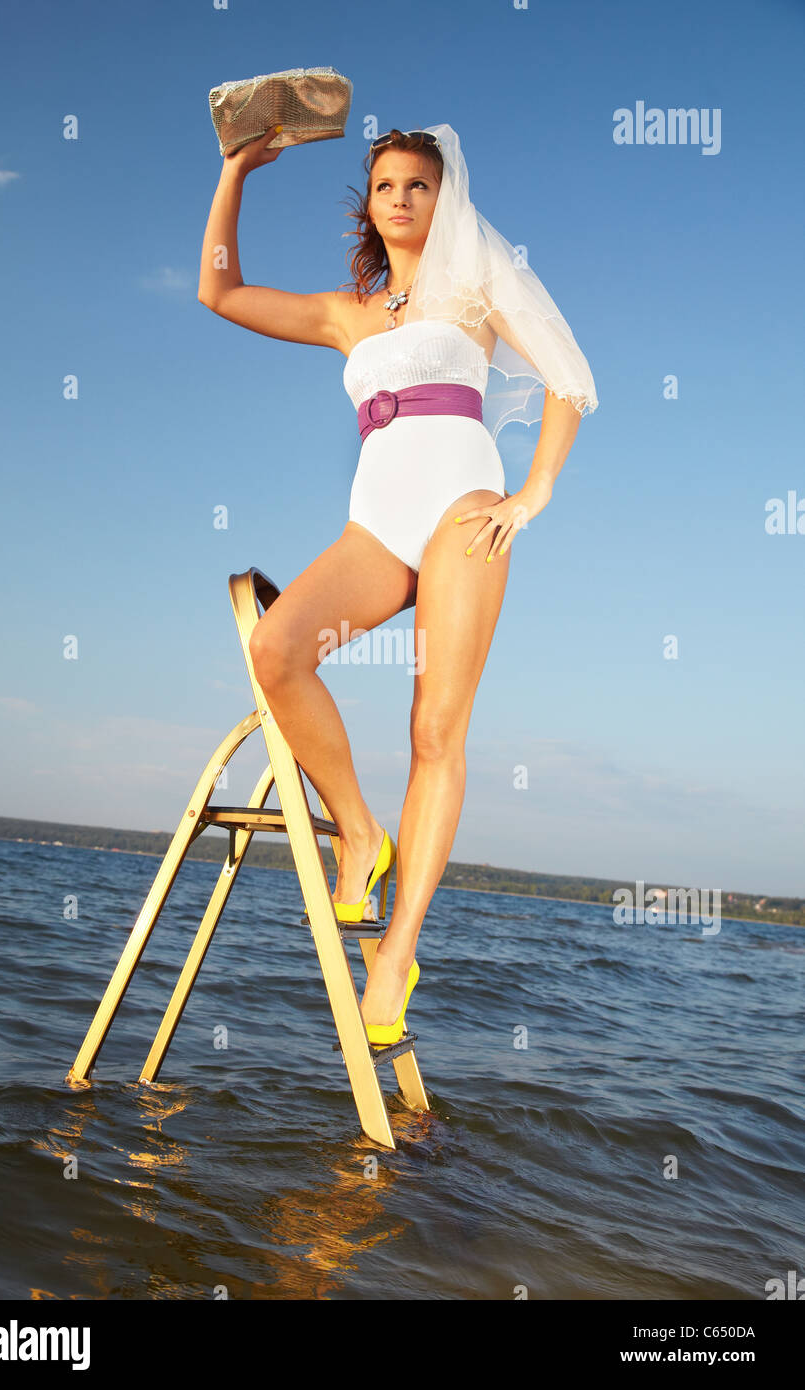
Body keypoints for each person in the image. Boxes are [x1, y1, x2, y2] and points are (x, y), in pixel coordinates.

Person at [198, 123, 597, 1047]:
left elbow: (570, 381)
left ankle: (397, 953)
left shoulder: (477, 291)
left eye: (421, 183)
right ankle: (359, 834)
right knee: (277, 651)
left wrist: (531, 493)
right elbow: (219, 290)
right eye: (388, 184)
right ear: (370, 203)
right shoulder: (348, 313)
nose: (405, 197)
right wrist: (234, 172)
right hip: (374, 524)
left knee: (433, 730)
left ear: (442, 197)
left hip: (464, 512)